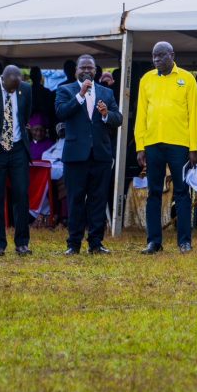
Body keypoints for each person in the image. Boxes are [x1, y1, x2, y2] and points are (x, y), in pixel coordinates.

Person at [134, 41, 197, 254]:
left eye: (160, 56)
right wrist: (140, 145)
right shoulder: (146, 79)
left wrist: (193, 146)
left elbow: (193, 115)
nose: (156, 60)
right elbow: (141, 114)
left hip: (179, 144)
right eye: (154, 57)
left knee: (181, 192)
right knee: (153, 192)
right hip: (153, 143)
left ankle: (184, 241)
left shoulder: (187, 79)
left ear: (172, 55)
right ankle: (154, 242)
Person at [55, 54, 123, 255]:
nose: (87, 71)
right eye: (83, 67)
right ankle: (73, 244)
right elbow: (61, 112)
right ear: (76, 70)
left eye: (90, 68)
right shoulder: (65, 90)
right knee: (75, 199)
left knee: (98, 200)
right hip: (76, 156)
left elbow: (117, 118)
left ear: (96, 70)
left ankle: (96, 243)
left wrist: (105, 115)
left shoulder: (106, 92)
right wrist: (80, 95)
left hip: (100, 155)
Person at [0, 65, 33, 256]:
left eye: (16, 87)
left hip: (18, 147)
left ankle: (22, 242)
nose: (14, 90)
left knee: (21, 195)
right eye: (11, 87)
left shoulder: (25, 89)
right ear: (3, 78)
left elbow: (24, 115)